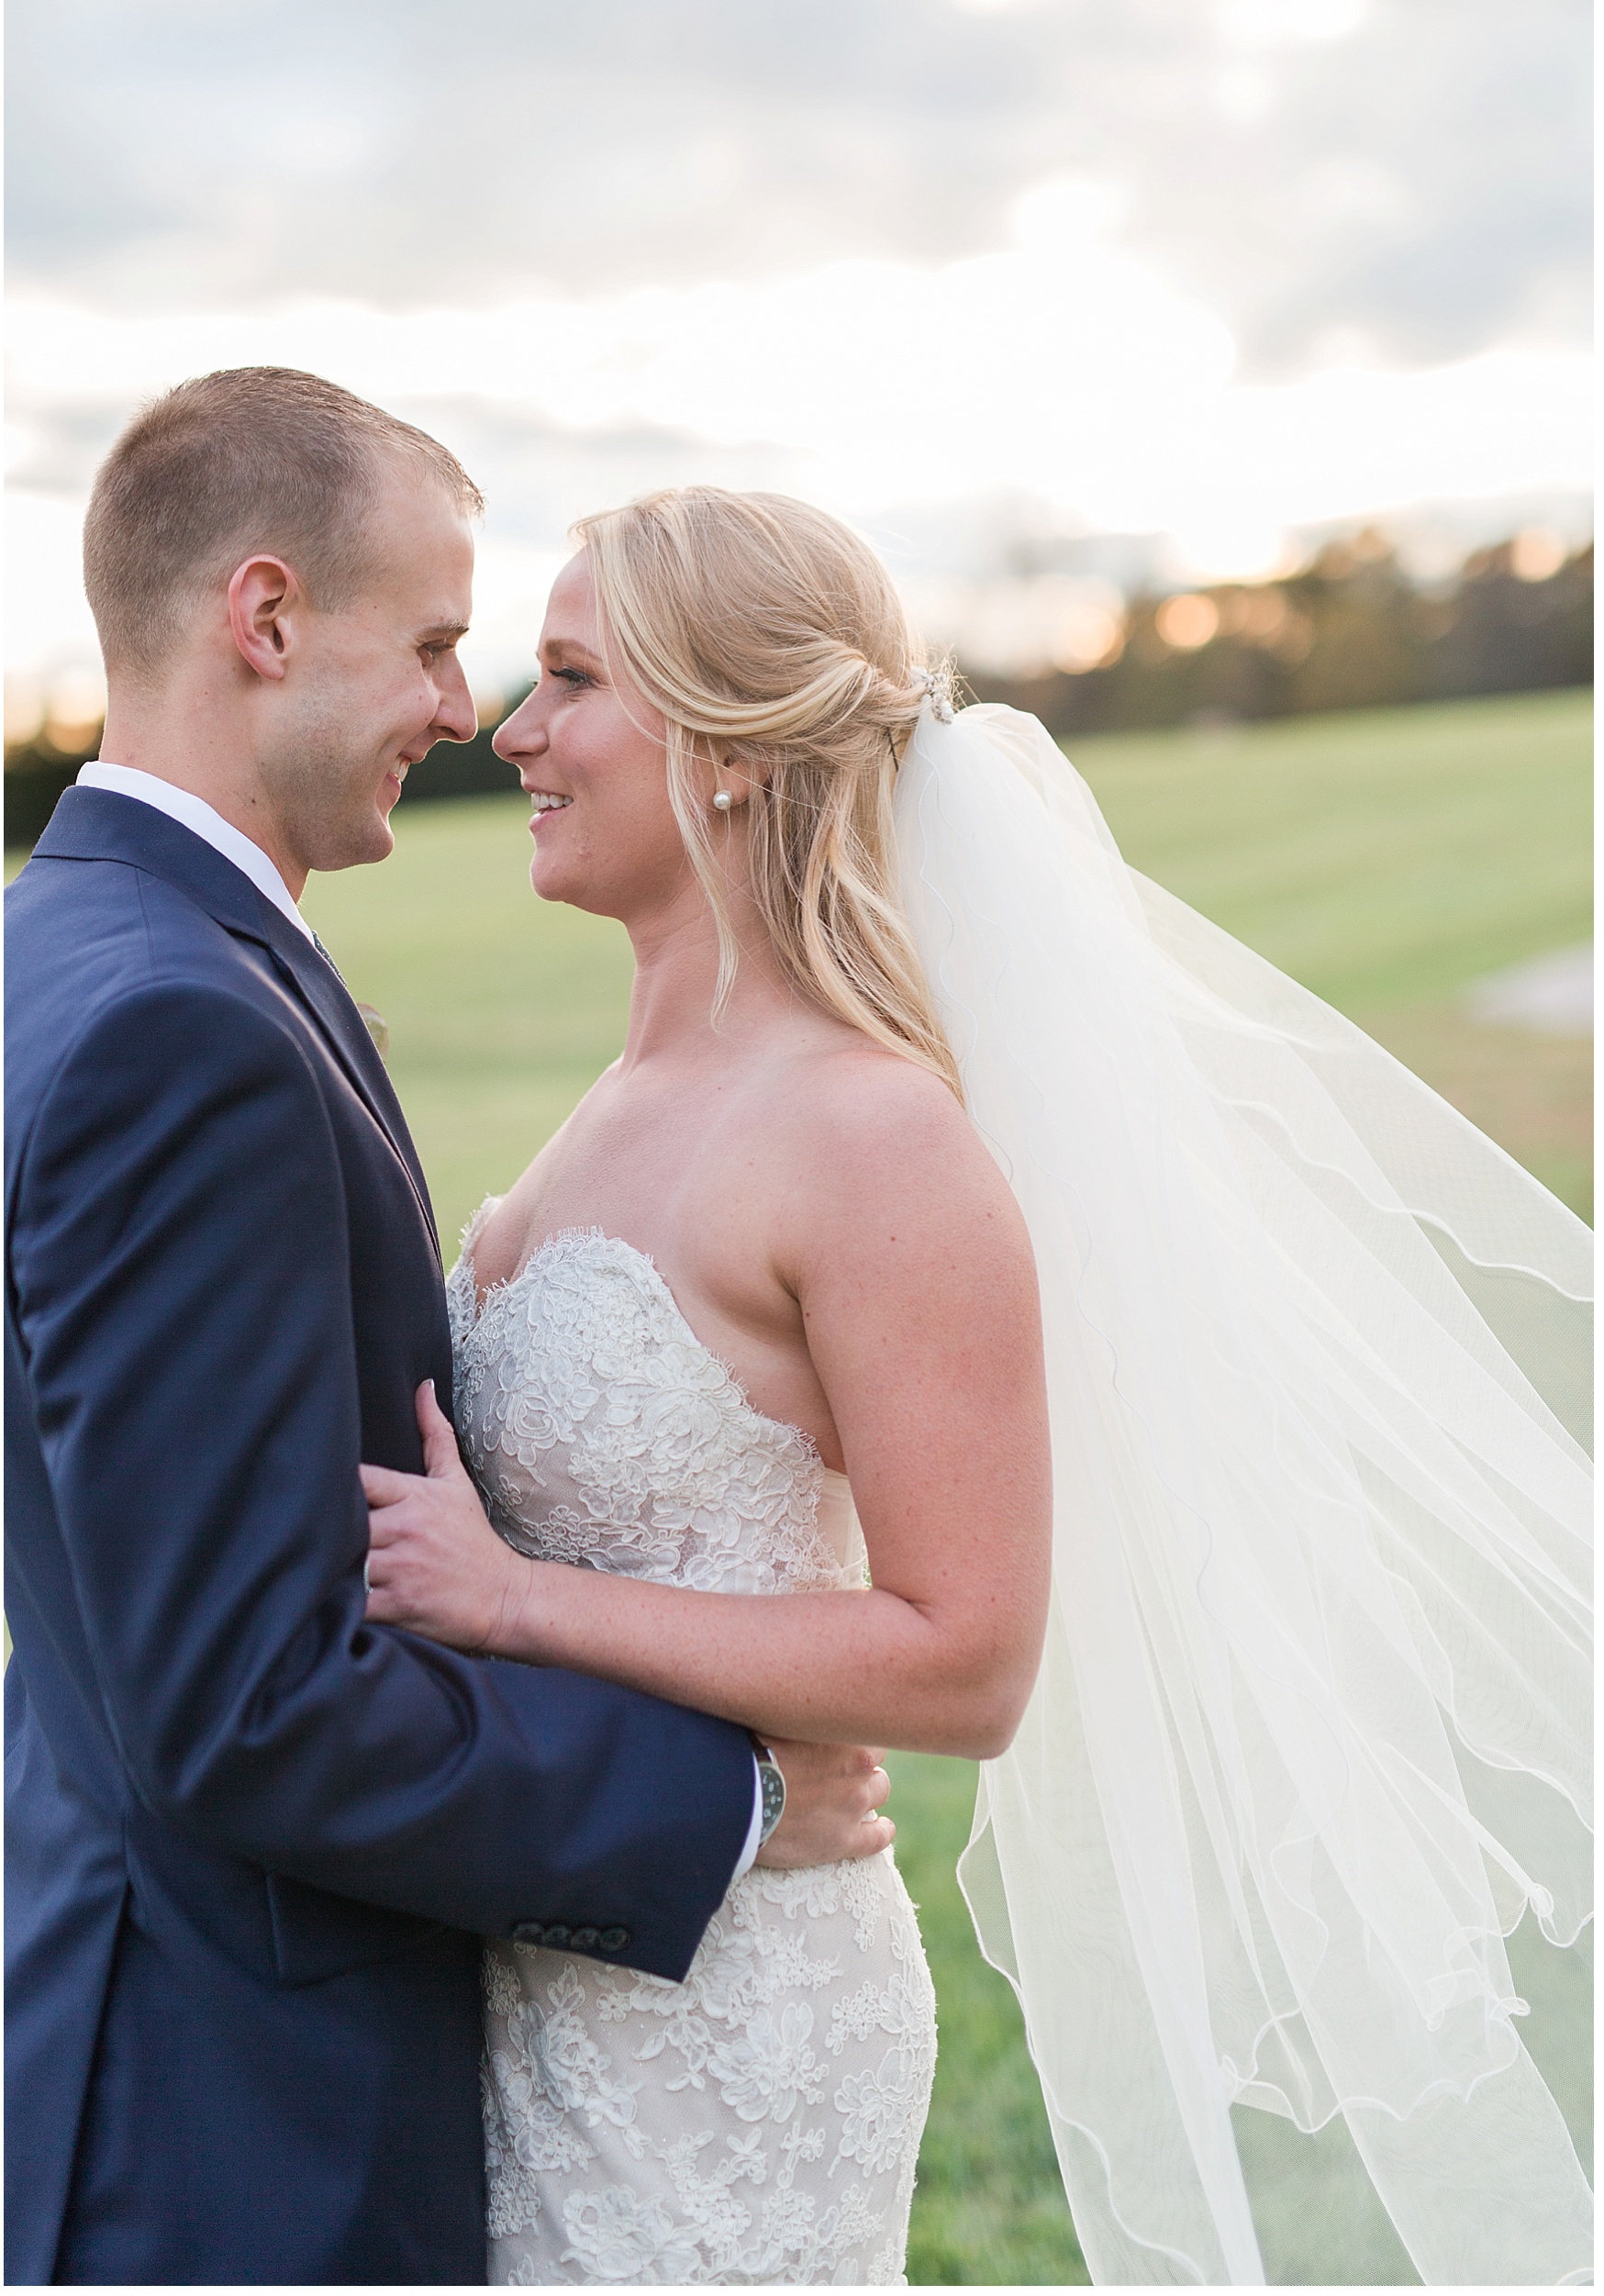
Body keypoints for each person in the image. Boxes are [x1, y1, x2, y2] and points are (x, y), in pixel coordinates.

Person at [365, 485, 1592, 2288]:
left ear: (724, 748)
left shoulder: (869, 1141)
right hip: (546, 1969)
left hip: (731, 2022)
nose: (511, 729)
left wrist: (519, 1603)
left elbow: (962, 1657)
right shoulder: (619, 1102)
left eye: (567, 680)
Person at [4, 373, 897, 2289]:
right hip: (231, 2123)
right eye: (430, 641)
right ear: (262, 619)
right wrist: (723, 1799)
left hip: (200, 2022)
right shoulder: (184, 1022)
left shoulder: (81, 943)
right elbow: (242, 1703)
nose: (462, 709)